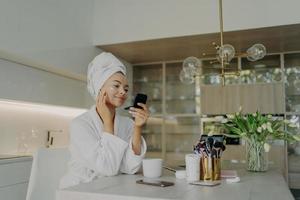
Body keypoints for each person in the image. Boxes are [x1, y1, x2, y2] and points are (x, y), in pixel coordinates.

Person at [60, 52, 149, 188]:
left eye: (126, 88)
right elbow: (108, 168)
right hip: (80, 190)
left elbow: (130, 168)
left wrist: (137, 127)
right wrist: (108, 123)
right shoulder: (80, 125)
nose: (123, 92)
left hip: (109, 189)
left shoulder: (126, 123)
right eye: (116, 85)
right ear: (99, 87)